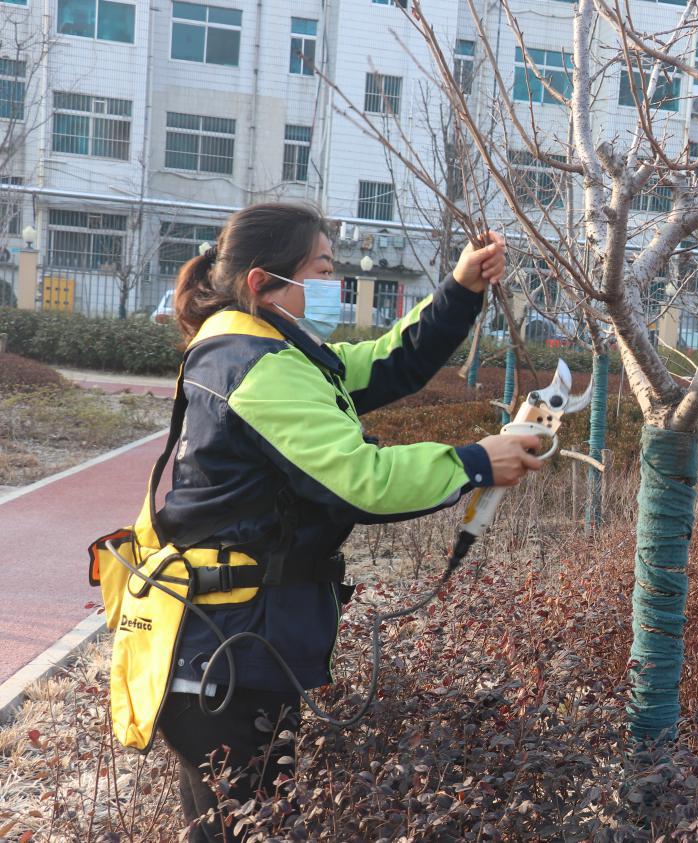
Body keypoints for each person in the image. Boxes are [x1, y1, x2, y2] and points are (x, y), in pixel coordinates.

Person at [153, 202, 541, 841]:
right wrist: (476, 462)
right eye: (322, 269)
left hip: (231, 644)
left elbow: (391, 363)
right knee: (242, 827)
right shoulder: (257, 369)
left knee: (235, 826)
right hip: (227, 652)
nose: (334, 282)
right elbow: (363, 481)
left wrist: (461, 288)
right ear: (261, 282)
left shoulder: (271, 348)